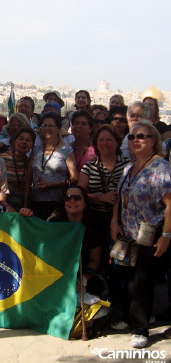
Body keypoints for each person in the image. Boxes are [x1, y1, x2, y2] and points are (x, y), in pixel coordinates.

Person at [110, 121, 171, 348]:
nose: (136, 140)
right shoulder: (128, 167)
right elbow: (120, 198)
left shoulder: (161, 168)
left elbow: (169, 204)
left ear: (153, 140)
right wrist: (114, 222)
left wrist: (166, 235)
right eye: (132, 137)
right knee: (128, 279)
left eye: (142, 136)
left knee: (143, 282)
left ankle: (141, 328)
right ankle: (132, 317)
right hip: (129, 233)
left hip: (151, 233)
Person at [78, 124, 127, 273]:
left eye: (109, 140)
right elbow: (80, 194)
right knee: (99, 257)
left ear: (117, 142)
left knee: (120, 259)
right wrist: (101, 198)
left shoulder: (127, 166)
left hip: (121, 220)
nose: (105, 143)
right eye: (101, 140)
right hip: (95, 218)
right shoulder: (89, 167)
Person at [48, 186, 103, 293]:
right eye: (68, 198)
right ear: (64, 203)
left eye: (77, 198)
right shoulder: (54, 224)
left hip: (84, 278)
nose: (72, 201)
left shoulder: (94, 227)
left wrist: (82, 281)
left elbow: (95, 260)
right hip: (55, 276)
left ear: (85, 203)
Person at [26, 112, 78, 220]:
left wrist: (52, 185)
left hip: (57, 203)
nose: (47, 128)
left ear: (58, 128)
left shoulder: (66, 150)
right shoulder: (36, 149)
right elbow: (28, 177)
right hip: (36, 201)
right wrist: (25, 203)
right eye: (44, 125)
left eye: (51, 125)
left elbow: (74, 177)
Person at [0, 128, 36, 211]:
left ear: (32, 145)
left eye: (28, 140)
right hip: (3, 199)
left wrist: (25, 206)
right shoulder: (2, 158)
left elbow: (27, 187)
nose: (24, 142)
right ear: (14, 141)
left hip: (21, 202)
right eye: (21, 139)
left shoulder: (29, 163)